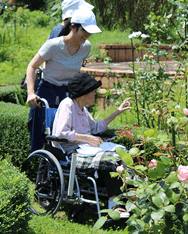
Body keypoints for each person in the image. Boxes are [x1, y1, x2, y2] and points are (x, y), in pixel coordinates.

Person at [52, 72, 132, 215]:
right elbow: (60, 133)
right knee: (110, 160)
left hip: (87, 149)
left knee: (122, 154)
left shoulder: (83, 109)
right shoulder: (68, 105)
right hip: (73, 152)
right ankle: (115, 207)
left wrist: (117, 112)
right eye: (93, 91)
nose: (95, 94)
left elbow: (95, 127)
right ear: (83, 94)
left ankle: (123, 202)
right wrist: (87, 138)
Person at [26, 8, 101, 153]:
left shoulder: (86, 47)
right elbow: (32, 66)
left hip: (69, 91)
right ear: (73, 26)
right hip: (48, 88)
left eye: (90, 32)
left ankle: (69, 160)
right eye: (84, 31)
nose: (88, 35)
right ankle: (37, 159)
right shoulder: (54, 45)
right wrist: (30, 93)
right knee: (40, 127)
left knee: (74, 128)